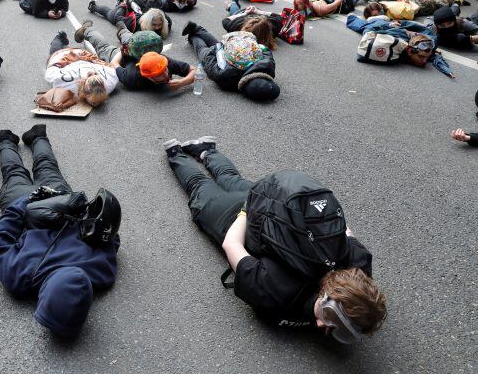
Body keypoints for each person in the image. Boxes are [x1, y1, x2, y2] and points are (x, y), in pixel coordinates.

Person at [163, 137, 387, 341]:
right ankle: (175, 153)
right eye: (328, 315)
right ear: (328, 295)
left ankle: (206, 150)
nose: (321, 323)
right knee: (200, 187)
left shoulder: (359, 264)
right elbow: (232, 244)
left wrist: (257, 203)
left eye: (340, 330)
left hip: (273, 205)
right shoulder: (276, 291)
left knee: (232, 179)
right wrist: (246, 210)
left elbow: (341, 227)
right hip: (238, 219)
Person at [0, 126, 120, 336]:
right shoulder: (19, 277)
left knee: (47, 168)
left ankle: (36, 136)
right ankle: (6, 140)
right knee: (14, 173)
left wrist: (76, 208)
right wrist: (22, 205)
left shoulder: (102, 272)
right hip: (28, 207)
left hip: (58, 201)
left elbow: (111, 235)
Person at [182, 21, 280, 101]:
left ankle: (197, 29)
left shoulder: (268, 67)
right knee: (202, 49)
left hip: (238, 45)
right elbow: (211, 65)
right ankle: (193, 36)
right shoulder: (226, 78)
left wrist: (220, 47)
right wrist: (213, 51)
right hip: (223, 58)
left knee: (217, 43)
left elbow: (265, 50)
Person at [346, 9, 453, 77]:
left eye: (426, 57)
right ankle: (355, 16)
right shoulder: (395, 38)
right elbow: (368, 33)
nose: (424, 61)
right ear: (410, 51)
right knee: (364, 26)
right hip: (383, 23)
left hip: (406, 29)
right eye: (421, 57)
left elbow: (435, 57)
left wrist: (447, 71)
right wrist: (396, 24)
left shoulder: (429, 44)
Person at [45, 31, 118, 108]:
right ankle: (59, 36)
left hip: (83, 55)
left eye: (99, 101)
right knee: (54, 53)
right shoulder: (68, 84)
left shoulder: (109, 84)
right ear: (85, 93)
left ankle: (77, 40)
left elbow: (112, 68)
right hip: (67, 56)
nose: (96, 104)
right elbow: (50, 73)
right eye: (94, 102)